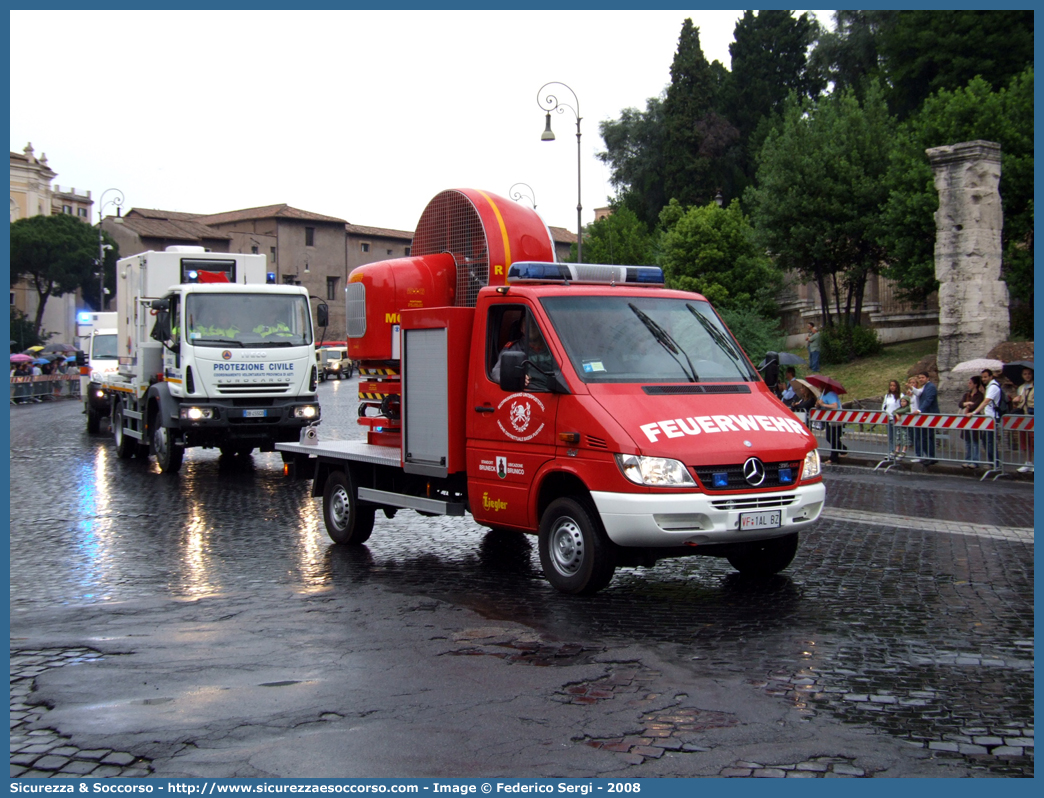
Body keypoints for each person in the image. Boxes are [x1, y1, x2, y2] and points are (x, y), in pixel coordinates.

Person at [492, 313, 555, 392]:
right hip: (529, 393)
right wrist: (514, 377)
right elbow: (496, 372)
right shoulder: (513, 349)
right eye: (527, 322)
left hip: (554, 392)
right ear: (521, 328)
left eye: (534, 322)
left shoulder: (553, 348)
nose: (531, 326)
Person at [972, 369, 1002, 468]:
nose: (984, 379)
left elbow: (986, 401)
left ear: (991, 377)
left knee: (990, 441)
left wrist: (975, 412)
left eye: (985, 377)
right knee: (986, 440)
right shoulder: (989, 387)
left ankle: (994, 463)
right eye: (983, 377)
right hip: (988, 418)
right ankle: (992, 462)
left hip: (992, 418)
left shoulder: (993, 387)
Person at [909, 371, 939, 465]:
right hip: (925, 416)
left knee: (928, 437)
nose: (921, 379)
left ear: (927, 378)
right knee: (924, 437)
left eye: (922, 377)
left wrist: (920, 410)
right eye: (920, 378)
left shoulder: (931, 387)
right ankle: (928, 456)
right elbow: (918, 393)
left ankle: (931, 456)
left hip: (930, 415)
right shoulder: (925, 387)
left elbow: (928, 400)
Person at [958, 376, 985, 468]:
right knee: (968, 441)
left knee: (975, 441)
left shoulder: (980, 395)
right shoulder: (967, 395)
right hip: (966, 420)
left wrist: (967, 405)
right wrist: (967, 404)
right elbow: (960, 404)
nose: (968, 384)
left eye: (970, 383)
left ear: (975, 384)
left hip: (975, 419)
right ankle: (968, 459)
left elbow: (976, 405)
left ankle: (975, 461)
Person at [1012, 366, 1034, 473]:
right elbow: (1020, 402)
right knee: (1025, 440)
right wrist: (1016, 401)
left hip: (1033, 416)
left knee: (1034, 440)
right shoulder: (1021, 388)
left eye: (1029, 373)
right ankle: (1028, 462)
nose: (1027, 376)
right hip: (1023, 416)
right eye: (1025, 374)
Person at [815, 384, 844, 464]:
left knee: (833, 438)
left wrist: (823, 404)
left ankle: (833, 458)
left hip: (836, 419)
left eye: (820, 386)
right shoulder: (822, 396)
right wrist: (818, 405)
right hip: (829, 420)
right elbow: (821, 406)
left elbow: (835, 406)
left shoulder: (831, 394)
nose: (818, 387)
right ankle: (843, 450)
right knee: (830, 437)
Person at [882, 380, 904, 459]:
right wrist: (884, 414)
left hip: (896, 418)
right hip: (888, 418)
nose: (892, 387)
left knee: (897, 436)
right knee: (890, 436)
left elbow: (902, 407)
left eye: (894, 385)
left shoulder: (901, 396)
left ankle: (897, 452)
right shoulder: (887, 396)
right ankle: (891, 452)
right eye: (891, 385)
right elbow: (884, 406)